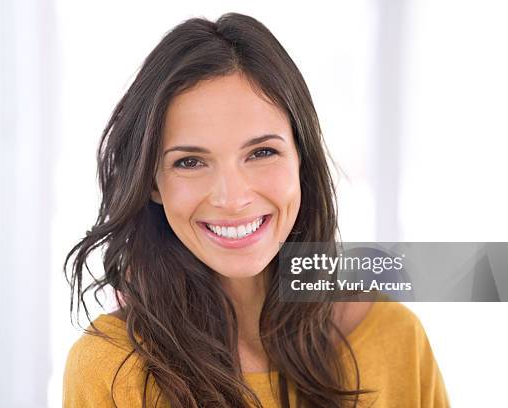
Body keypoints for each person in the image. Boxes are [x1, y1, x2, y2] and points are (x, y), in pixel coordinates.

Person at [62, 12, 449, 408]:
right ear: (152, 184)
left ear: (302, 159)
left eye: (262, 152)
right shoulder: (110, 369)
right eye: (190, 162)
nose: (232, 199)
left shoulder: (394, 338)